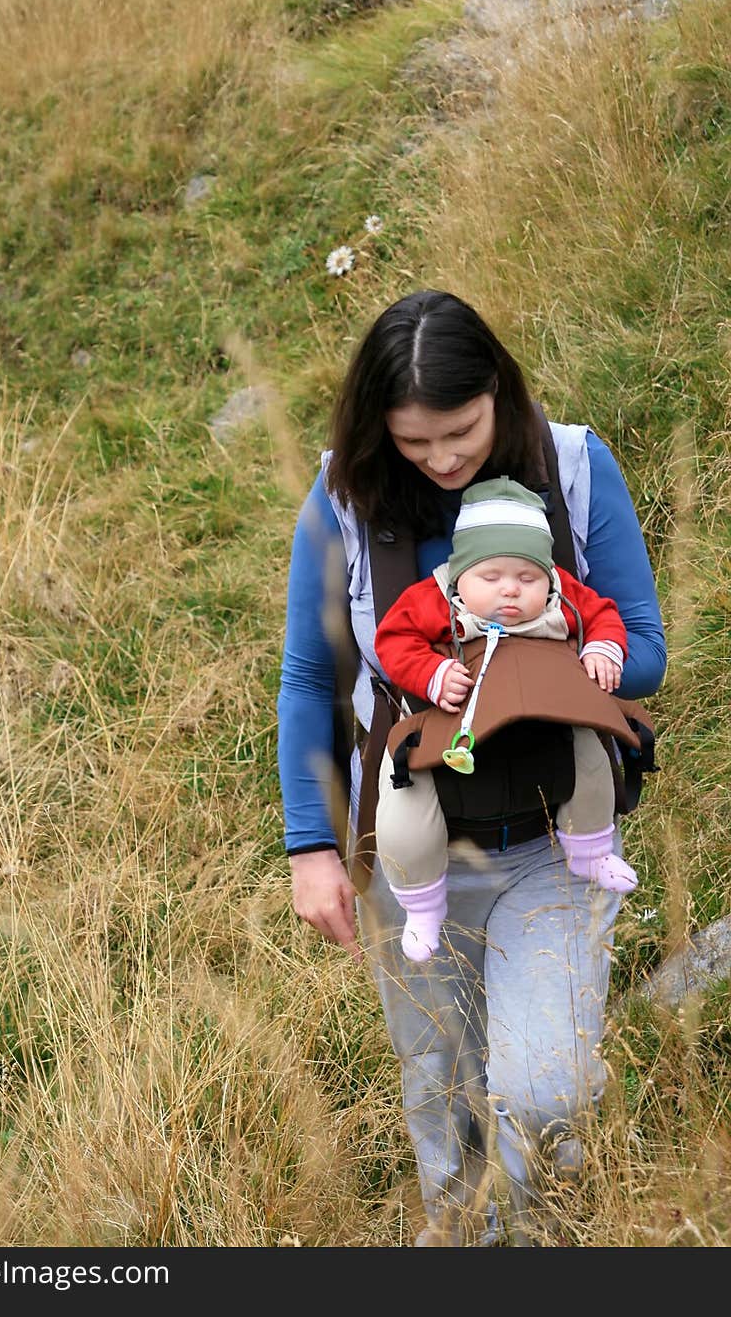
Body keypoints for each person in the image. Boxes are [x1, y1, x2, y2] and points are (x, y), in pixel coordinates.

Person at [276, 289, 666, 1245]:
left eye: (460, 430)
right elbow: (307, 679)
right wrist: (310, 847)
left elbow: (645, 645)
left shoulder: (573, 466)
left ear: (500, 391)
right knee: (442, 1083)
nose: (443, 460)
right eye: (415, 443)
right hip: (413, 852)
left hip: (549, 840)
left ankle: (546, 1218)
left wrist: (538, 660)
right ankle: (465, 1245)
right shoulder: (340, 498)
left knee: (540, 1088)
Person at [373, 474, 637, 964]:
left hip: (547, 721)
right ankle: (422, 905)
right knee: (406, 803)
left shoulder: (564, 595)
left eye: (527, 578)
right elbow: (392, 640)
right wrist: (431, 673)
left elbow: (603, 614)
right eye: (491, 578)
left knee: (592, 753)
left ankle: (590, 848)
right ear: (461, 573)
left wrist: (603, 648)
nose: (510, 591)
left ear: (548, 575)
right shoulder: (436, 599)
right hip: (450, 729)